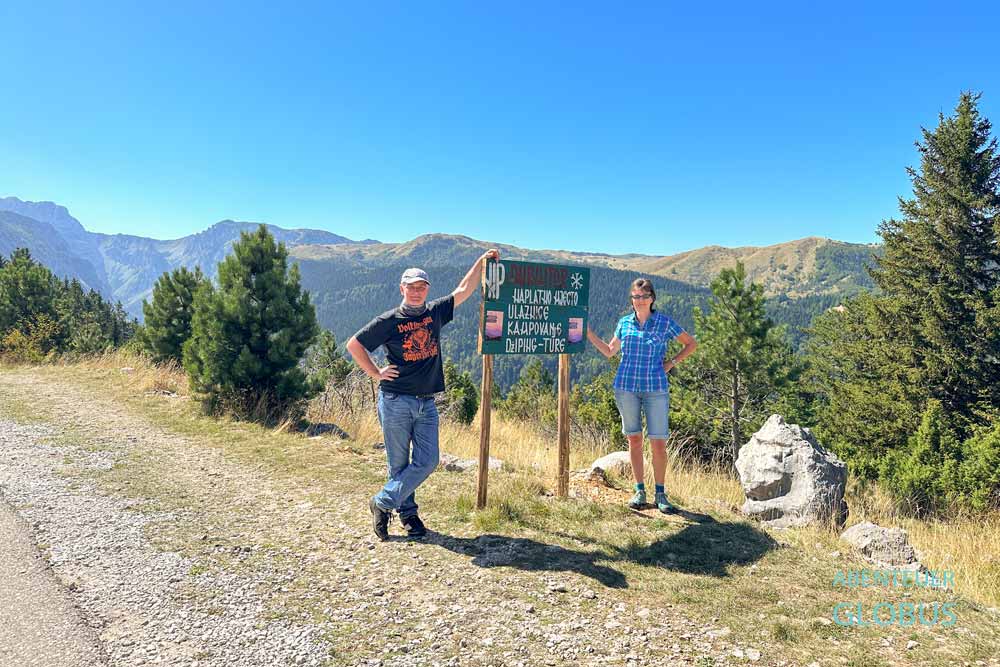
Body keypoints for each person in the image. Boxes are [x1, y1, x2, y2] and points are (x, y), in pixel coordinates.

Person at [346, 249, 500, 540]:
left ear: (427, 289)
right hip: (395, 400)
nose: (416, 292)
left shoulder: (435, 313)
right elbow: (354, 345)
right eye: (411, 287)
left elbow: (464, 289)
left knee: (428, 461)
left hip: (426, 402)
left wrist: (481, 262)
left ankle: (381, 502)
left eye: (421, 287)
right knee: (398, 464)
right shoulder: (389, 320)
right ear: (402, 289)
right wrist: (376, 372)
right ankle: (408, 515)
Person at [586, 278, 698, 513]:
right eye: (635, 297)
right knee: (634, 440)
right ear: (632, 299)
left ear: (652, 298)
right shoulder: (624, 323)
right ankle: (639, 491)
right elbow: (610, 351)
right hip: (626, 387)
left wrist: (671, 363)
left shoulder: (664, 323)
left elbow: (691, 344)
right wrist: (587, 332)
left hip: (655, 389)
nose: (639, 301)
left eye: (644, 296)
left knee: (658, 443)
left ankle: (660, 493)